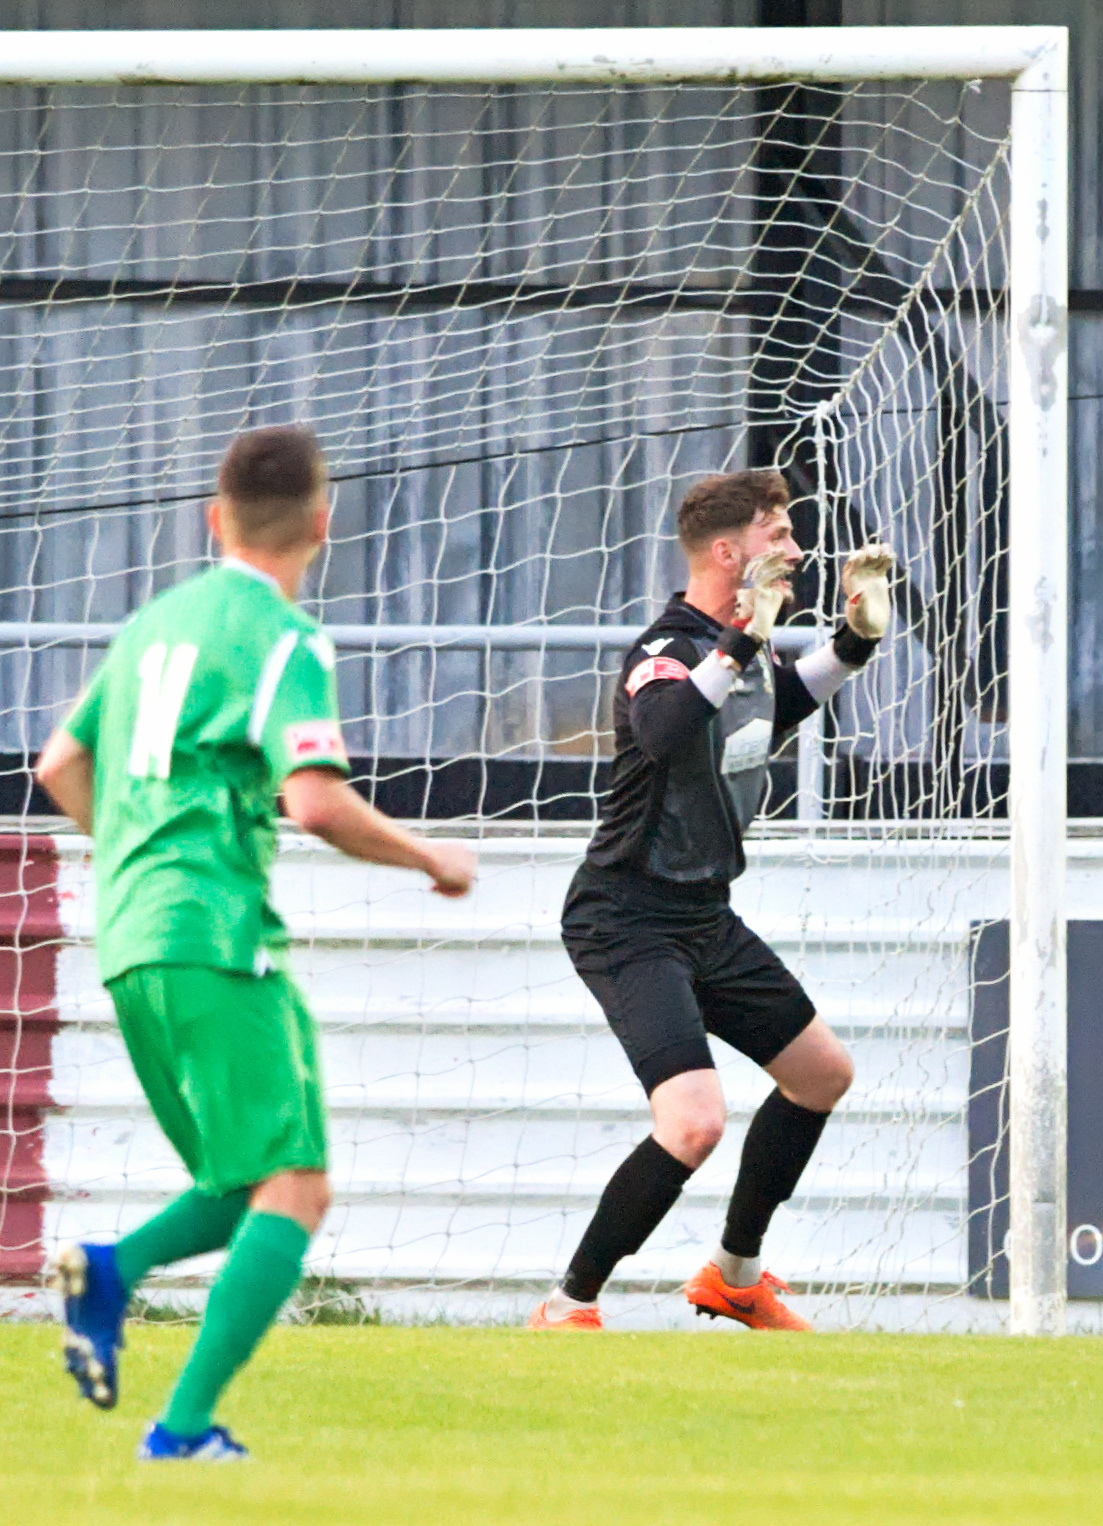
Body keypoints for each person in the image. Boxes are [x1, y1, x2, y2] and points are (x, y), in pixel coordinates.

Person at [36, 427, 478, 1461]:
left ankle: (107, 1270)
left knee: (245, 1183)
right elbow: (315, 801)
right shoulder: (283, 636)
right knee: (295, 1182)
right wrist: (429, 859)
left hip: (129, 931)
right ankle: (181, 1429)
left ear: (211, 517)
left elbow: (61, 762)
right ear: (323, 523)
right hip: (216, 929)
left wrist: (135, 855)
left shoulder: (155, 622)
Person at [529, 470, 892, 1332]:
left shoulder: (747, 650)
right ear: (729, 553)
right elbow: (662, 732)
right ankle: (567, 1306)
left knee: (820, 1076)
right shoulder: (668, 645)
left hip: (703, 916)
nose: (797, 549)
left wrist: (854, 637)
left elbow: (778, 709)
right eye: (778, 534)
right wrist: (737, 640)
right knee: (693, 1123)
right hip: (625, 917)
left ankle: (735, 1274)